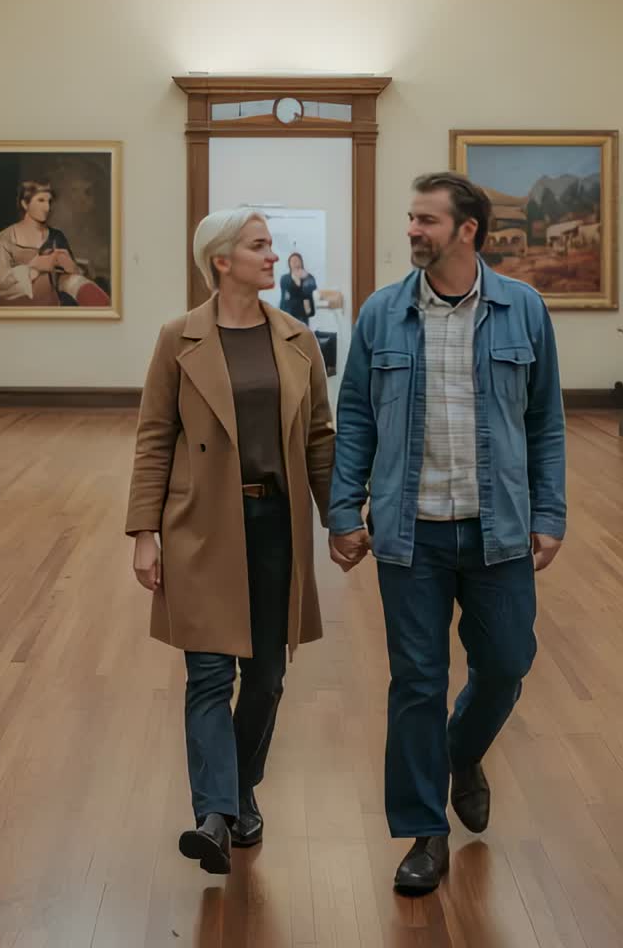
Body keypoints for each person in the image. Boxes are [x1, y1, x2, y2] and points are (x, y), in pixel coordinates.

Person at [328, 171, 566, 895]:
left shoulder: (523, 309)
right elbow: (356, 417)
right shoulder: (382, 313)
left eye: (426, 220)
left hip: (499, 530)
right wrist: (343, 509)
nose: (412, 230)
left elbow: (545, 422)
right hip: (411, 533)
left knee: (507, 663)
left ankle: (462, 751)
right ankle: (425, 832)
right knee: (417, 683)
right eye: (411, 218)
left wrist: (549, 514)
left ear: (468, 230)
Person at [125, 207, 334, 875]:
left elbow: (320, 438)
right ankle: (214, 816)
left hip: (275, 524)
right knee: (210, 674)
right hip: (203, 524)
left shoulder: (297, 338)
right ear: (222, 260)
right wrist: (144, 533)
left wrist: (342, 519)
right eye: (259, 245)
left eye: (271, 245)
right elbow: (155, 437)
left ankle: (240, 789)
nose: (274, 256)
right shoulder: (177, 339)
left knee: (266, 678)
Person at [0, 181, 110, 308]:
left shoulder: (56, 237)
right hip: (15, 313)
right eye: (41, 200)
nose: (47, 207)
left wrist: (72, 268)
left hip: (50, 312)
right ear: (25, 204)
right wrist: (33, 267)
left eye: (49, 202)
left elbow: (66, 284)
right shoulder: (5, 238)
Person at [279, 252, 318, 327]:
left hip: (302, 313)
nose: (295, 263)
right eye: (292, 261)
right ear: (289, 264)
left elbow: (312, 289)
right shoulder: (285, 278)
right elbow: (285, 295)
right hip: (288, 312)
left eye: (297, 261)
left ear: (301, 262)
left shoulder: (308, 277)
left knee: (303, 331)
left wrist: (304, 279)